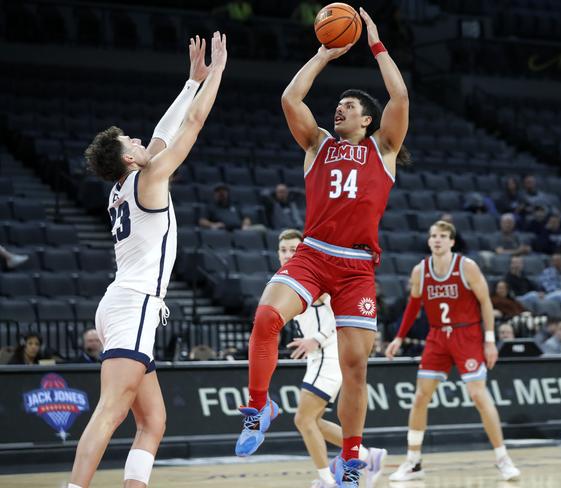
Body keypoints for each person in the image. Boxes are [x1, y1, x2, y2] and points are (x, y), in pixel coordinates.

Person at [235, 9, 409, 487]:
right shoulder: (318, 145)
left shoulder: (384, 149)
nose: (341, 109)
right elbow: (291, 96)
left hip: (356, 268)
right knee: (267, 318)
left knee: (355, 367)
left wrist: (375, 44)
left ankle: (351, 457)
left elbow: (400, 94)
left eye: (350, 106)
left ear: (368, 119)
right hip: (312, 253)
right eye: (339, 104)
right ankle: (258, 406)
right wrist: (323, 53)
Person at [68, 33, 227, 488]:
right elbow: (191, 125)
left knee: (152, 420)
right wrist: (215, 72)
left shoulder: (128, 184)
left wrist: (190, 82)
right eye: (130, 141)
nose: (139, 139)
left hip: (123, 302)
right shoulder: (148, 179)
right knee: (113, 410)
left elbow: (161, 133)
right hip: (135, 302)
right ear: (128, 158)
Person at [384, 221, 520, 482]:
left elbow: (485, 302)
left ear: (452, 241)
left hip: (466, 334)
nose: (437, 240)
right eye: (433, 235)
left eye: (442, 236)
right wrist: (399, 338)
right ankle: (413, 461)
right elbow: (413, 306)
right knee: (420, 396)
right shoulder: (420, 271)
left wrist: (489, 340)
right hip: (437, 336)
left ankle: (503, 459)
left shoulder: (466, 267)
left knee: (478, 395)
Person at [278, 229, 386, 488]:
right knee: (313, 420)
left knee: (303, 419)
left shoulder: (315, 279)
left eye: (293, 249)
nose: (287, 255)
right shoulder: (290, 278)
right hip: (318, 357)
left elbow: (341, 309)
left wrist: (316, 337)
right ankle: (367, 455)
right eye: (283, 250)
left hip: (330, 352)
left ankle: (327, 480)